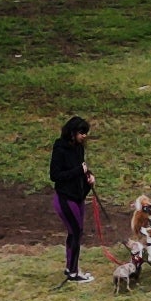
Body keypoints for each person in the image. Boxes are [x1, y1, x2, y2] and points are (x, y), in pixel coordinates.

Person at [50, 115, 97, 284]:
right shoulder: (60, 148)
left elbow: (82, 170)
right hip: (65, 198)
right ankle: (73, 272)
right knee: (76, 233)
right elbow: (55, 175)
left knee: (75, 232)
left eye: (86, 133)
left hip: (78, 197)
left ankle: (71, 267)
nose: (84, 136)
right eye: (81, 132)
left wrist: (89, 177)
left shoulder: (79, 148)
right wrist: (79, 170)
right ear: (72, 132)